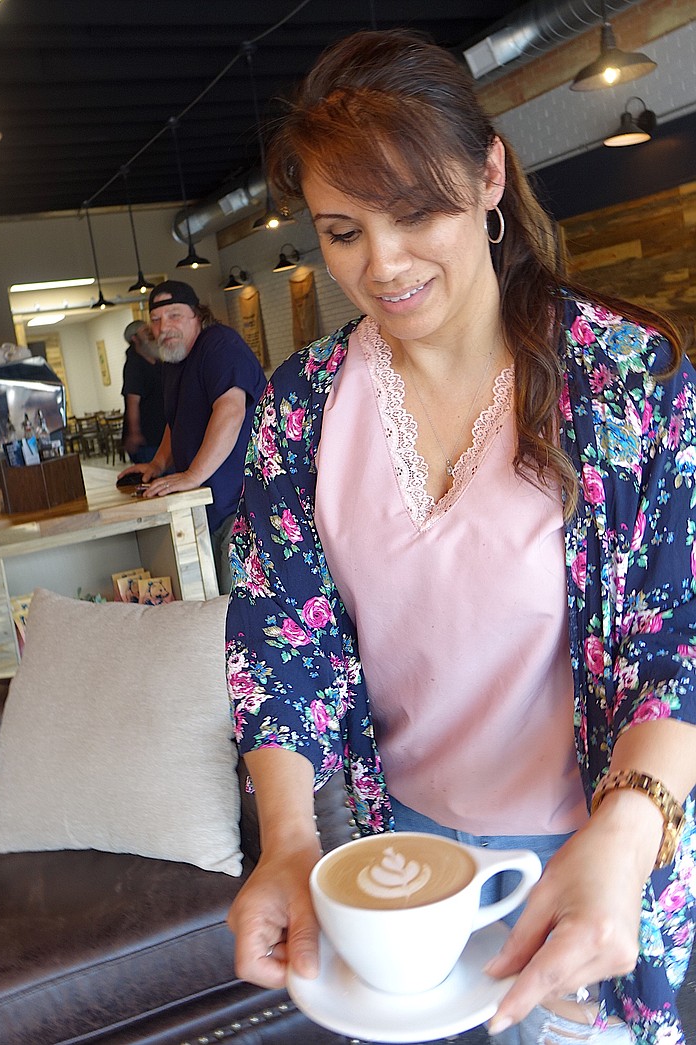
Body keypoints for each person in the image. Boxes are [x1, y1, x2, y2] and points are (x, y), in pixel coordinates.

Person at [225, 28, 696, 1045]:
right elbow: (280, 641)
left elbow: (680, 634)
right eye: (341, 231)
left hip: (595, 837)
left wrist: (628, 831)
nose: (381, 266)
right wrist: (286, 841)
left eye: (415, 211)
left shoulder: (623, 378)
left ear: (487, 175)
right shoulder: (298, 409)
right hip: (400, 847)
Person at [119, 280, 265, 594]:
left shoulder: (218, 345)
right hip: (207, 505)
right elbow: (177, 421)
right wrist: (157, 464)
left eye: (174, 316)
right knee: (213, 606)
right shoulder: (174, 359)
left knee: (238, 608)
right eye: (156, 320)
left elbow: (231, 410)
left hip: (239, 506)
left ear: (197, 316)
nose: (164, 327)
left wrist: (192, 474)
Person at [120, 320, 164, 464]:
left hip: (162, 434)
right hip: (148, 439)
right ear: (134, 338)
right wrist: (135, 433)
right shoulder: (134, 365)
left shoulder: (157, 361)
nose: (151, 334)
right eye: (145, 331)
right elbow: (132, 401)